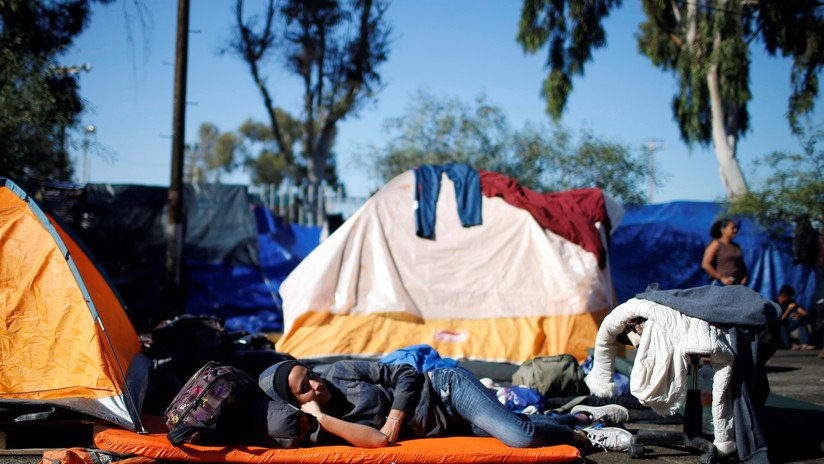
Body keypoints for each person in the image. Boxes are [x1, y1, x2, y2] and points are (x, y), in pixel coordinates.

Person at [259, 359, 632, 451]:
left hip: (445, 390)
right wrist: (322, 417)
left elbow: (406, 373)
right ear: (296, 404)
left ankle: (583, 435)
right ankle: (579, 414)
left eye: (309, 374)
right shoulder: (322, 427)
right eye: (304, 389)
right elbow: (375, 443)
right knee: (513, 424)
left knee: (518, 436)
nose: (316, 384)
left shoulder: (340, 371)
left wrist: (393, 418)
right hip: (445, 424)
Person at [701, 218, 748, 286]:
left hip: (738, 284)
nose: (735, 230)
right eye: (733, 228)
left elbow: (742, 264)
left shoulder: (736, 246)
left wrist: (744, 277)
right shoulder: (715, 244)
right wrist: (721, 278)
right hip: (721, 284)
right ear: (723, 230)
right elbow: (705, 264)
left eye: (736, 228)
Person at [776, 284, 815, 350]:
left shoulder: (789, 302)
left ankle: (804, 343)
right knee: (780, 325)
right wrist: (788, 310)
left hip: (788, 325)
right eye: (789, 296)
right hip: (778, 327)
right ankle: (790, 345)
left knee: (800, 320)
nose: (790, 298)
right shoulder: (774, 303)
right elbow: (778, 320)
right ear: (785, 295)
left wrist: (798, 314)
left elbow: (805, 313)